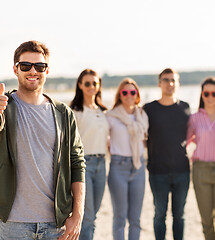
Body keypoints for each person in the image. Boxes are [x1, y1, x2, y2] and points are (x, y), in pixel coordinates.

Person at [0, 40, 86, 240]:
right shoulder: (4, 106)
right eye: (25, 66)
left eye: (40, 66)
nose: (33, 71)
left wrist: (77, 214)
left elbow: (77, 163)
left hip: (56, 222)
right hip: (14, 223)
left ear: (47, 70)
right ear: (15, 69)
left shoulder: (63, 113)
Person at [143, 68, 191, 240]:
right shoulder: (148, 109)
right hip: (157, 172)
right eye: (165, 80)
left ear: (177, 83)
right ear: (159, 83)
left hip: (182, 171)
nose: (169, 83)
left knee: (179, 215)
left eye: (173, 80)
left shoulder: (185, 108)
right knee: (160, 214)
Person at [186, 77, 215, 240]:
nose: (210, 97)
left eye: (214, 93)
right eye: (206, 93)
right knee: (206, 220)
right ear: (202, 95)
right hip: (201, 171)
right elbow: (184, 142)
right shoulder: (194, 118)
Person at [106, 78, 148, 240]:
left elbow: (144, 140)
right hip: (118, 167)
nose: (129, 95)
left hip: (138, 167)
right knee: (120, 218)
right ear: (120, 95)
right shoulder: (111, 116)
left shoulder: (142, 116)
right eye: (125, 92)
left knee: (136, 219)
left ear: (137, 94)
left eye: (132, 92)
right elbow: (104, 140)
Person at [70, 69, 109, 240]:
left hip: (102, 164)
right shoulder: (74, 111)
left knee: (93, 215)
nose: (91, 86)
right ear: (80, 85)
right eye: (87, 83)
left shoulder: (102, 110)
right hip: (84, 165)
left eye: (95, 83)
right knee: (87, 214)